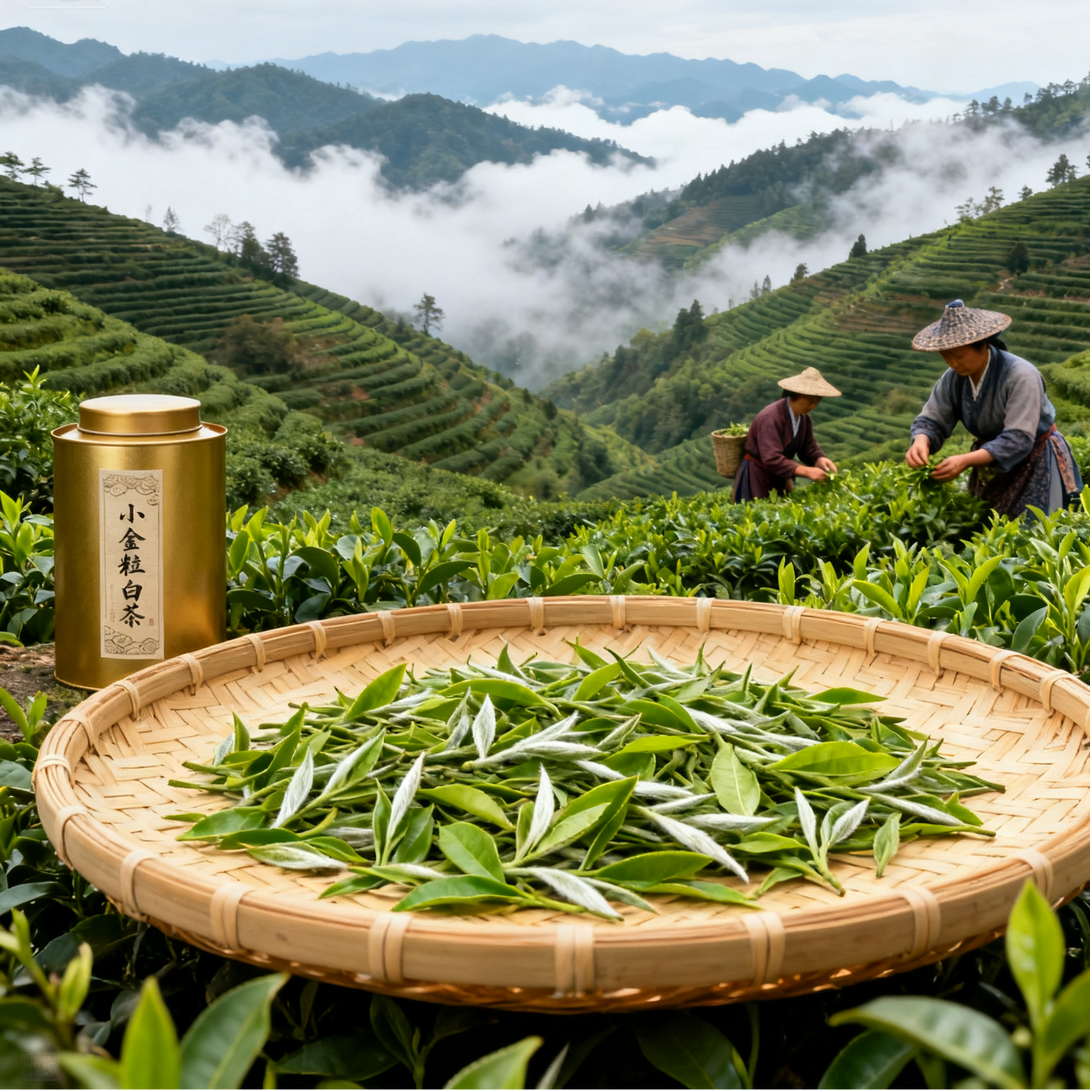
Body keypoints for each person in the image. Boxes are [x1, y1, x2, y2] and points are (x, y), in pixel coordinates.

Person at [905, 299, 1082, 517]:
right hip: (990, 462)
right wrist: (922, 440)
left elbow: (1018, 437)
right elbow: (932, 418)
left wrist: (965, 461)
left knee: (1035, 529)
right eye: (946, 356)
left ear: (983, 346)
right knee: (991, 529)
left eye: (958, 355)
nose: (952, 363)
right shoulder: (954, 378)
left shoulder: (1021, 375)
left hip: (1035, 460)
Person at [732, 367, 841, 501]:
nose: (814, 405)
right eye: (810, 401)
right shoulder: (771, 417)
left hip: (780, 476)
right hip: (758, 476)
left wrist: (819, 459)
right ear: (795, 395)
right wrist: (806, 471)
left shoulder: (804, 418)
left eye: (817, 401)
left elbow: (808, 447)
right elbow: (771, 458)